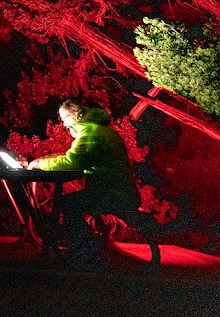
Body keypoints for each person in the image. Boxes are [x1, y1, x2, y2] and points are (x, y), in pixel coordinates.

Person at [26, 99, 140, 269]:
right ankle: (83, 252)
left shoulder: (91, 133)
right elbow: (75, 157)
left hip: (113, 193)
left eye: (65, 117)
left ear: (76, 115)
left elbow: (73, 162)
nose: (64, 123)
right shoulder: (98, 130)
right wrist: (45, 160)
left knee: (68, 205)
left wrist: (39, 164)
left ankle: (85, 255)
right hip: (117, 190)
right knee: (71, 203)